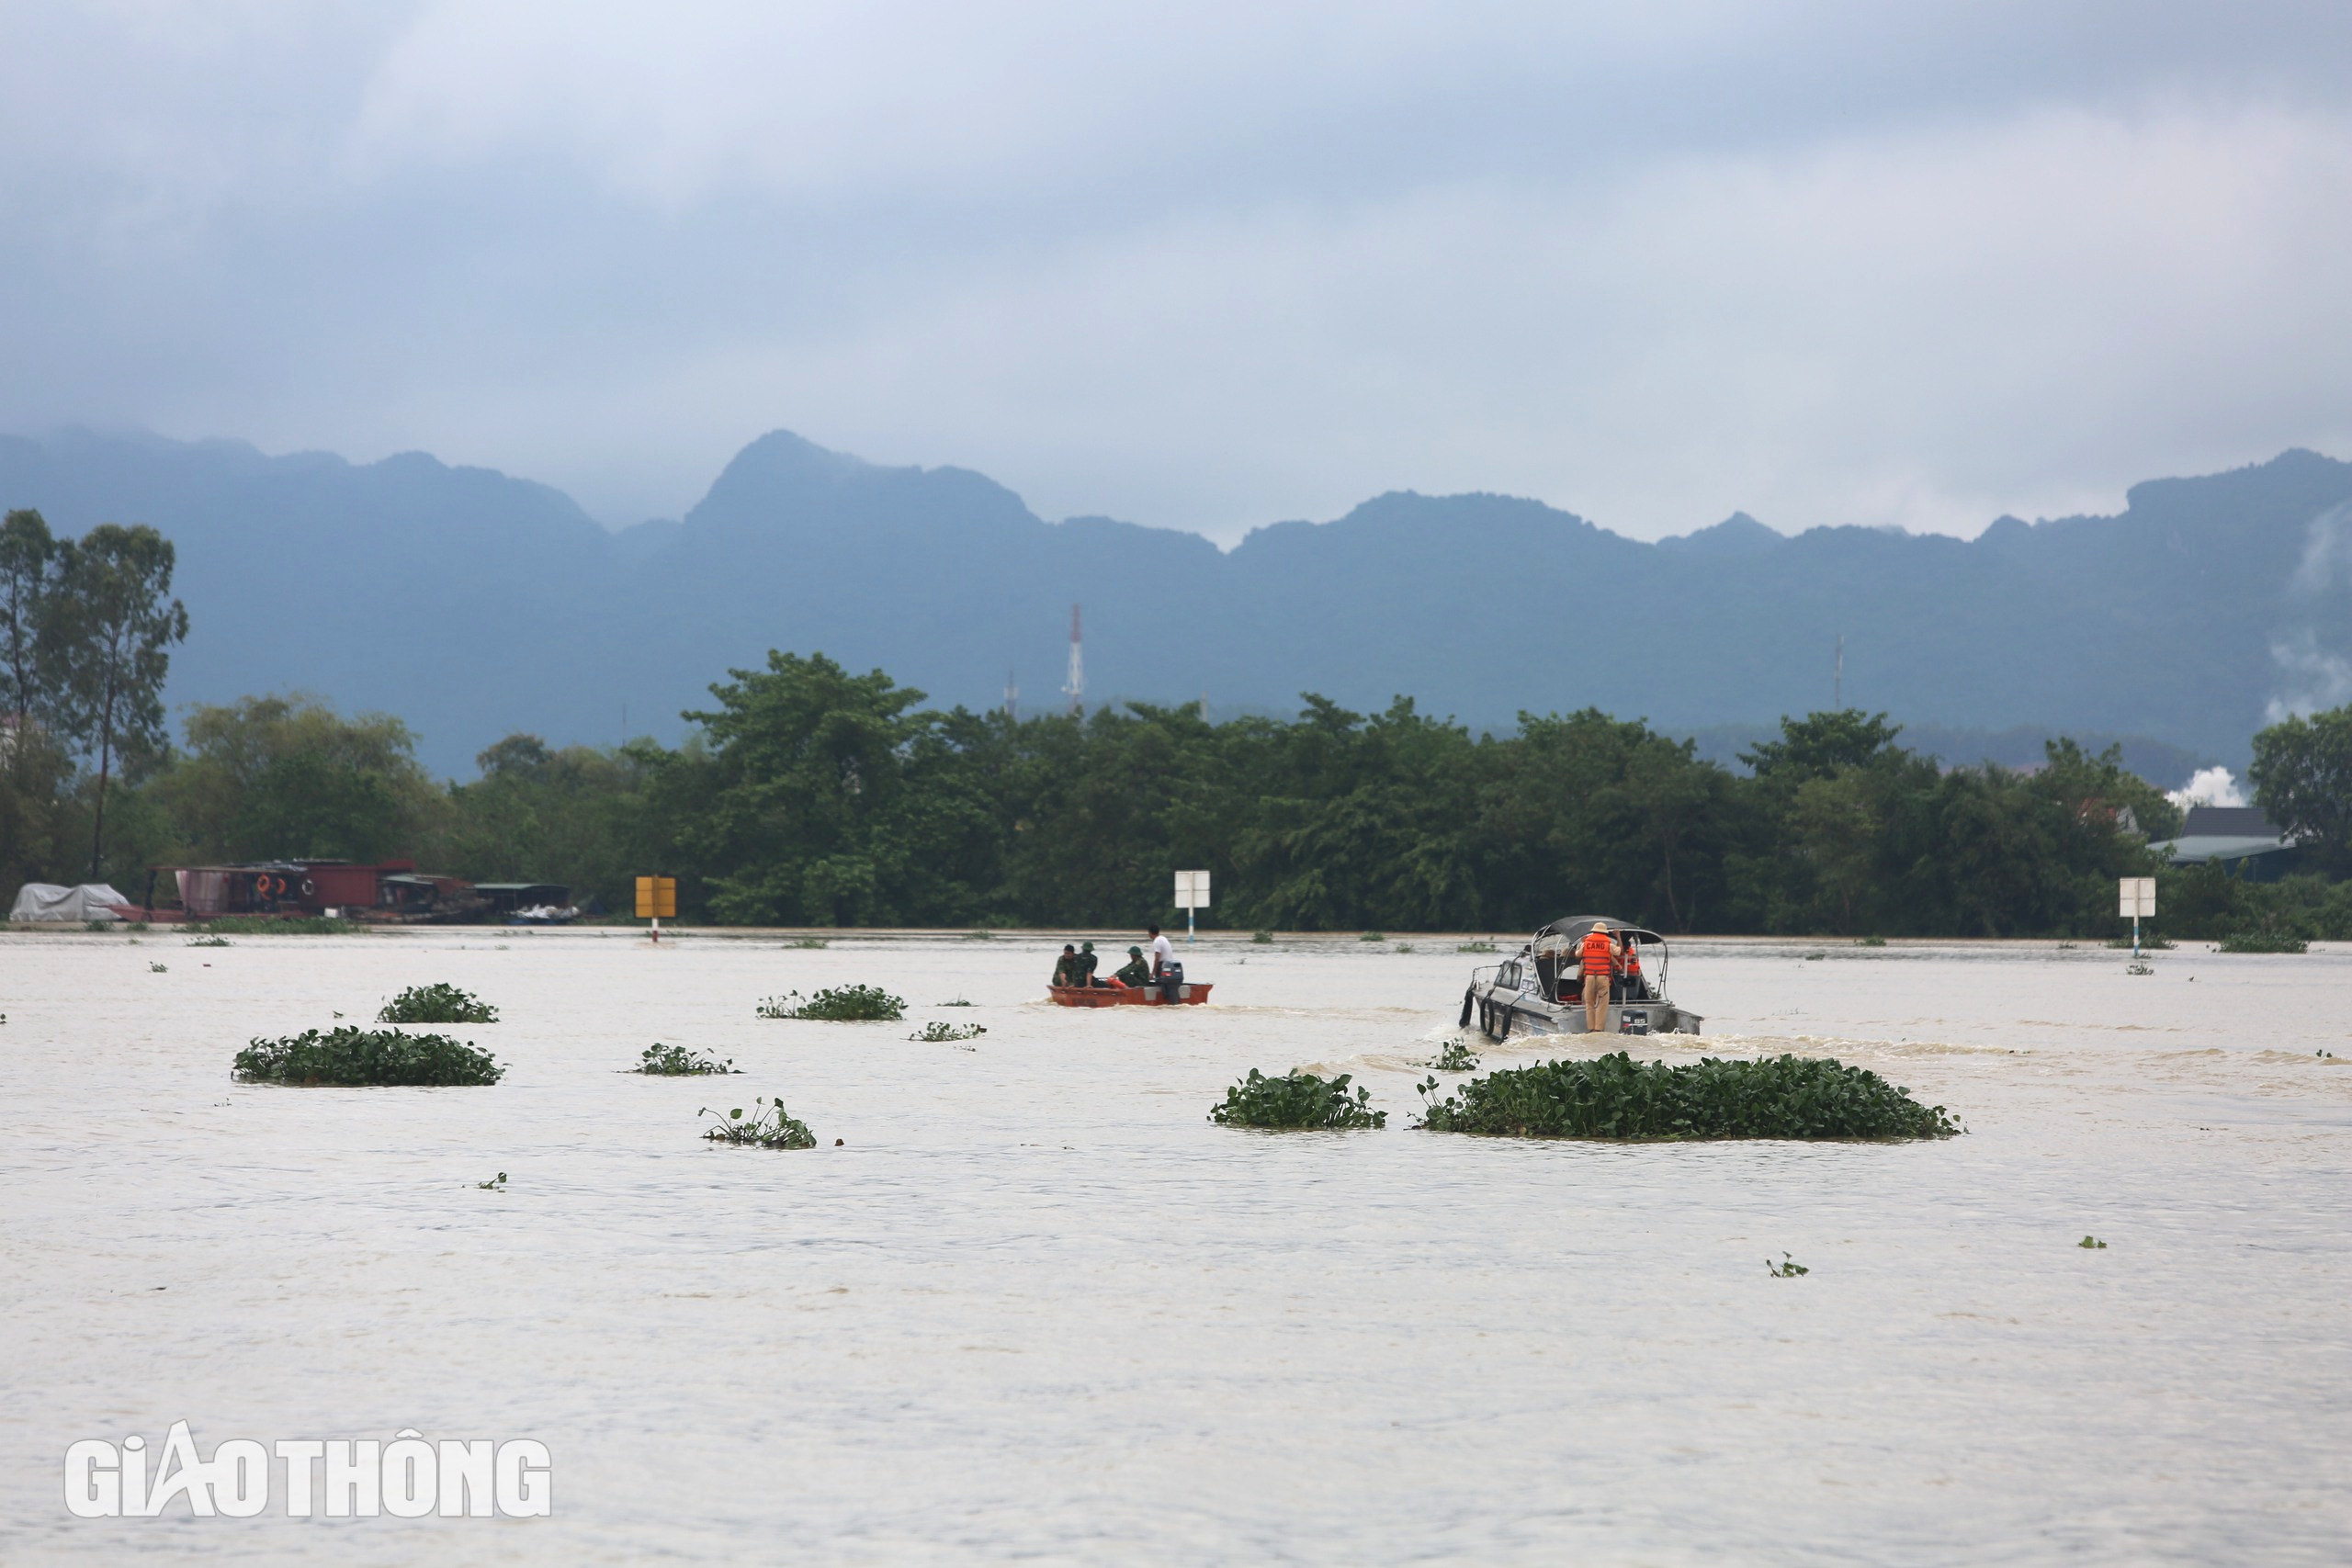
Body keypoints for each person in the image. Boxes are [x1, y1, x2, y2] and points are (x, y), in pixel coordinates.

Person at [1578, 922, 1618, 1033]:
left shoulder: (1585, 943)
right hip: (1603, 977)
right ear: (1604, 933)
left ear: (1593, 931)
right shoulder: (1608, 944)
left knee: (1589, 1003)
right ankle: (1598, 1029)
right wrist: (1618, 939)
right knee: (1602, 1004)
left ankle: (1591, 1028)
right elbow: (1618, 952)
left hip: (1589, 977)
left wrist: (1582, 943)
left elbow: (1577, 954)